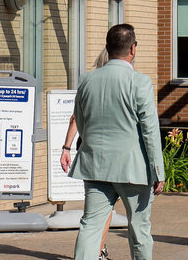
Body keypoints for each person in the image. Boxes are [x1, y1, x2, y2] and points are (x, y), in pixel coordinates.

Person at [67, 25, 164, 260]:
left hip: (95, 166)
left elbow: (80, 119)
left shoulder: (87, 80)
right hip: (133, 169)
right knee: (139, 229)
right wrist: (158, 171)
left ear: (107, 48)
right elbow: (150, 130)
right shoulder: (140, 82)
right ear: (133, 49)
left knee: (90, 226)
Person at [61, 49, 114, 260]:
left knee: (94, 207)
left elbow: (75, 117)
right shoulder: (127, 83)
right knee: (104, 208)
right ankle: (98, 250)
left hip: (89, 150)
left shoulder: (89, 84)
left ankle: (94, 250)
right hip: (113, 153)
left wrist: (66, 147)